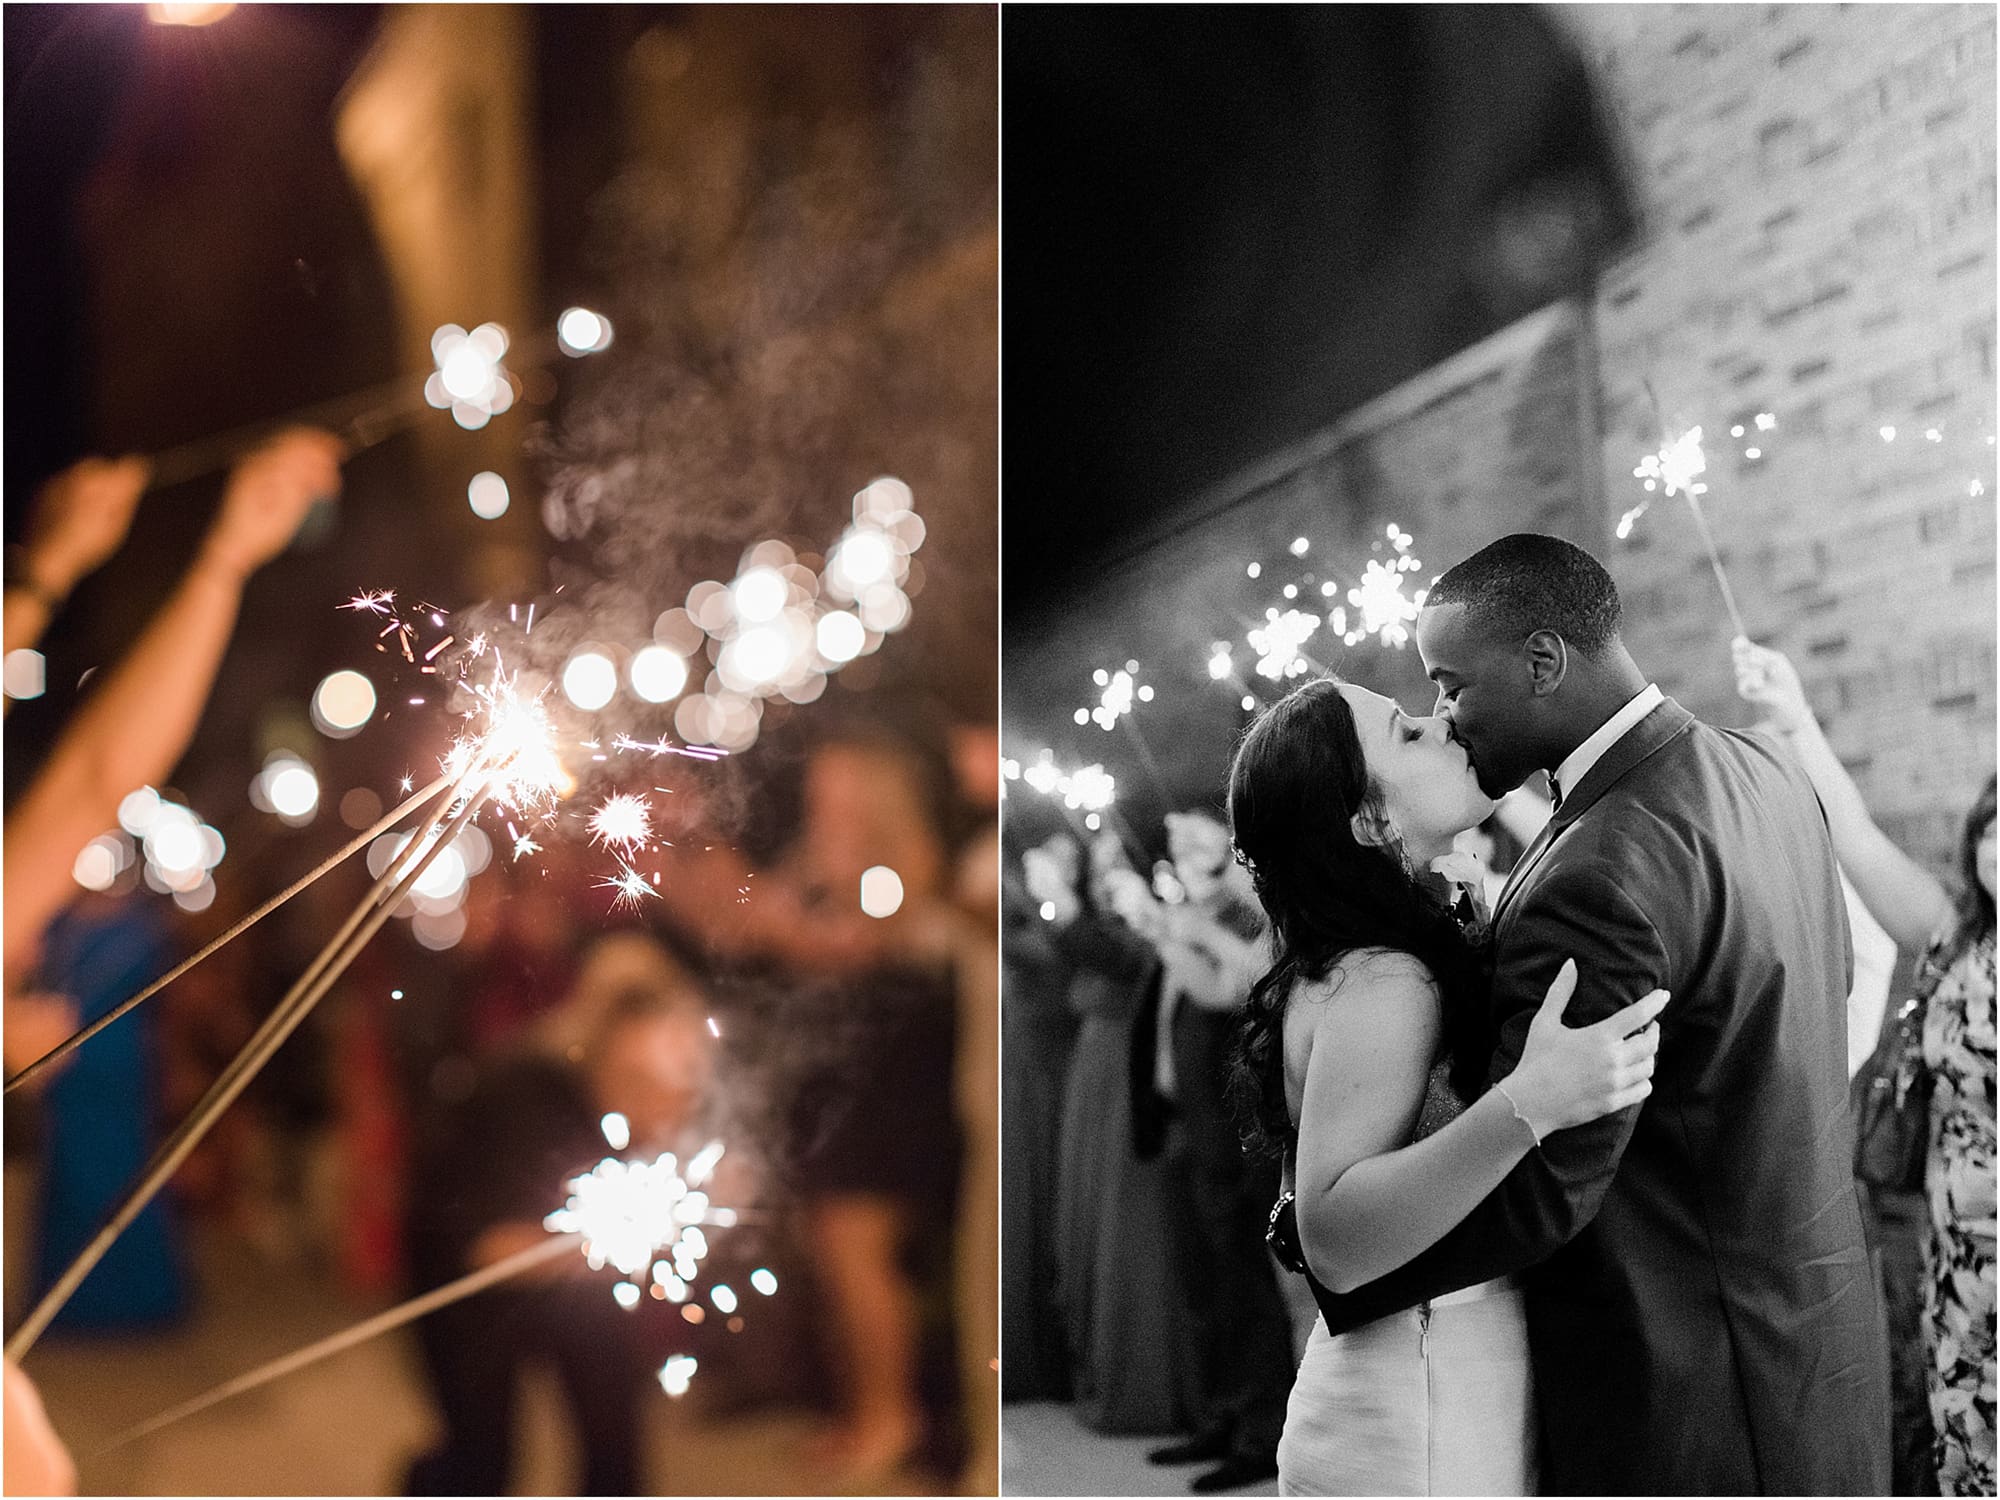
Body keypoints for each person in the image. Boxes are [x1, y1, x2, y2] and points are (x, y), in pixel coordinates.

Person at [1270, 533, 1888, 1494]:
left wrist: (1330, 1251)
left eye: (1452, 686)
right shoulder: (1767, 768)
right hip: (1819, 1331)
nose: (1446, 714)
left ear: (1542, 662)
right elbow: (1829, 990)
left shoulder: (1598, 872)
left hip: (1693, 1374)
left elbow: (1546, 1194)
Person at [1229, 676, 1664, 1495]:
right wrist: (1530, 1103)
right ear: (1371, 821)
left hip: (1442, 1369)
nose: (1442, 723)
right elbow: (1334, 1238)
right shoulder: (1382, 979)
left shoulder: (1392, 948)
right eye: (1407, 732)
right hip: (1415, 1406)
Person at [1737, 638, 1995, 1496]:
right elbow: (1853, 834)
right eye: (1991, 826)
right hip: (1956, 1253)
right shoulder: (1953, 939)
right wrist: (1796, 718)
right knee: (1964, 1445)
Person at [401, 945, 716, 1496]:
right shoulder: (523, 1099)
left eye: (679, 1083)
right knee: (480, 1459)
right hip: (464, 1283)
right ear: (600, 1043)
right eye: (641, 1082)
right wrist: (623, 1245)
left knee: (615, 1445)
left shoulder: (657, 1101)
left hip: (573, 1281)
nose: (664, 1105)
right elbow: (491, 1250)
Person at [1143, 810, 1295, 1494]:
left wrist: (1194, 932)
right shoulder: (1193, 910)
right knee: (1204, 1284)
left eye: (1197, 834)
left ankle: (1262, 1434)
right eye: (1175, 838)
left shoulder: (1253, 911)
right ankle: (1223, 1416)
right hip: (1187, 1123)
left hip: (1234, 1129)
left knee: (1246, 1285)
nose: (1183, 846)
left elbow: (1236, 991)